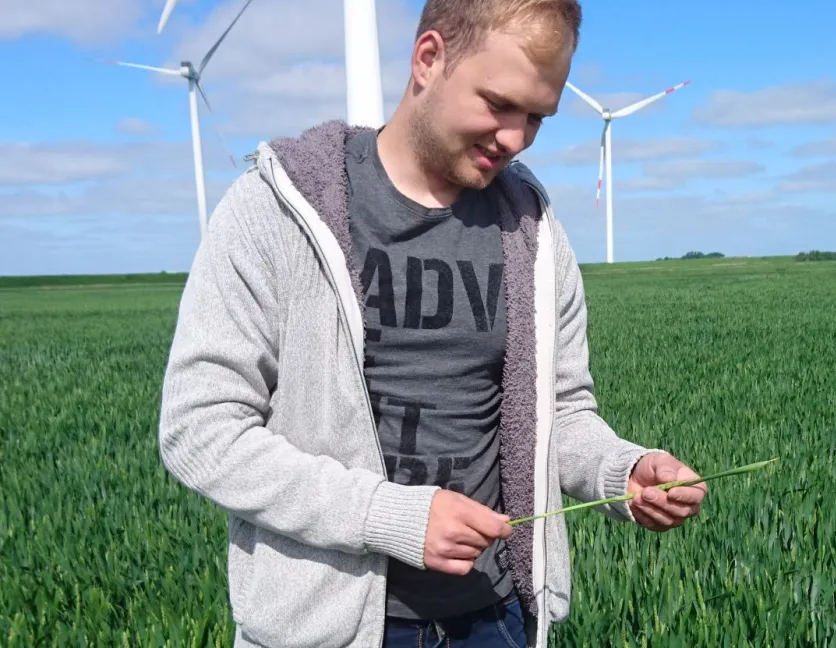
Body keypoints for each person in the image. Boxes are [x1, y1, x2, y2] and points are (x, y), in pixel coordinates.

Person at [157, 0, 708, 646]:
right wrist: (391, 517)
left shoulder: (533, 231)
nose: (517, 138)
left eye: (538, 117)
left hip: (492, 617)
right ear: (429, 59)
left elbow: (560, 413)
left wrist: (623, 471)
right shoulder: (276, 211)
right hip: (323, 628)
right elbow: (199, 429)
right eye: (499, 104)